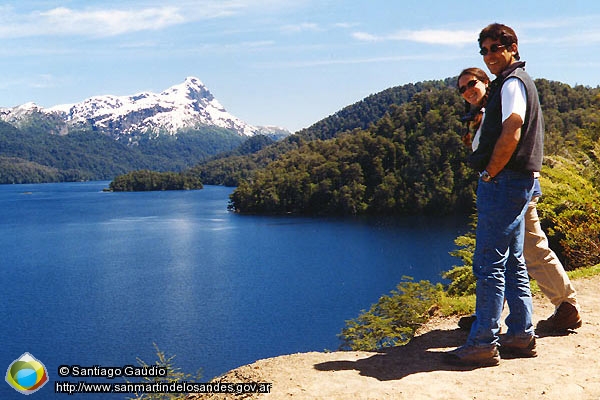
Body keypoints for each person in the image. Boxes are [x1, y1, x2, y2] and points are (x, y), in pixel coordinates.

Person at [444, 23, 544, 367]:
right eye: (484, 51)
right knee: (514, 260)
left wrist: (491, 172)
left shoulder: (512, 83)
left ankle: (483, 341)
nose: (489, 56)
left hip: (505, 182)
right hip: (519, 181)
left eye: (495, 48)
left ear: (512, 47)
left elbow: (513, 126)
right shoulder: (513, 82)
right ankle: (520, 333)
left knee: (489, 263)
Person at [455, 67, 582, 334]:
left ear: (485, 82)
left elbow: (513, 134)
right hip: (508, 183)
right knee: (511, 248)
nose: (467, 91)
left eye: (472, 84)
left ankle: (565, 306)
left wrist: (490, 174)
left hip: (512, 184)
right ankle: (489, 313)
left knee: (527, 248)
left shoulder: (500, 103)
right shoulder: (481, 114)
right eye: (462, 89)